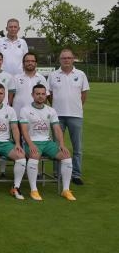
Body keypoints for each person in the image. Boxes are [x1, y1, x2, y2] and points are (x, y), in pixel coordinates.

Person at [19, 84, 76, 201]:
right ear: (32, 95)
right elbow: (23, 130)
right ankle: (34, 190)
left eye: (43, 94)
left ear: (46, 95)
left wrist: (61, 144)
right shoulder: (25, 110)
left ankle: (66, 190)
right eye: (37, 94)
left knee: (66, 155)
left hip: (47, 142)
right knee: (34, 155)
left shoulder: (51, 110)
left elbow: (57, 129)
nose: (40, 96)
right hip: (32, 142)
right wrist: (30, 144)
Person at [48, 49, 89, 185]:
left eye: (69, 58)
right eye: (63, 58)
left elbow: (83, 95)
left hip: (75, 115)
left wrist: (75, 106)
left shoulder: (81, 74)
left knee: (77, 147)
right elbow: (49, 95)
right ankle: (57, 173)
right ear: (60, 60)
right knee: (56, 146)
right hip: (57, 116)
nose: (66, 60)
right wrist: (56, 106)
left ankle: (76, 174)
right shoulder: (53, 75)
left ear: (73, 59)